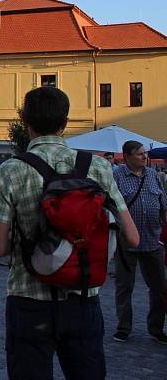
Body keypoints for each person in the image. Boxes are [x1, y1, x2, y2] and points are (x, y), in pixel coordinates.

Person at [0, 87, 140, 379]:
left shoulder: (12, 170)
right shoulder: (98, 166)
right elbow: (132, 237)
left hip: (28, 299)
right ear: (65, 122)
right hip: (83, 297)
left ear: (24, 121)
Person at [112, 140, 167, 344]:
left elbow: (163, 204)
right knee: (125, 286)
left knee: (159, 287)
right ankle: (123, 327)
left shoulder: (153, 175)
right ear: (126, 157)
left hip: (152, 239)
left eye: (144, 154)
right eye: (139, 154)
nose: (144, 157)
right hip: (126, 241)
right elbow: (110, 207)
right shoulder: (116, 176)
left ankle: (156, 328)